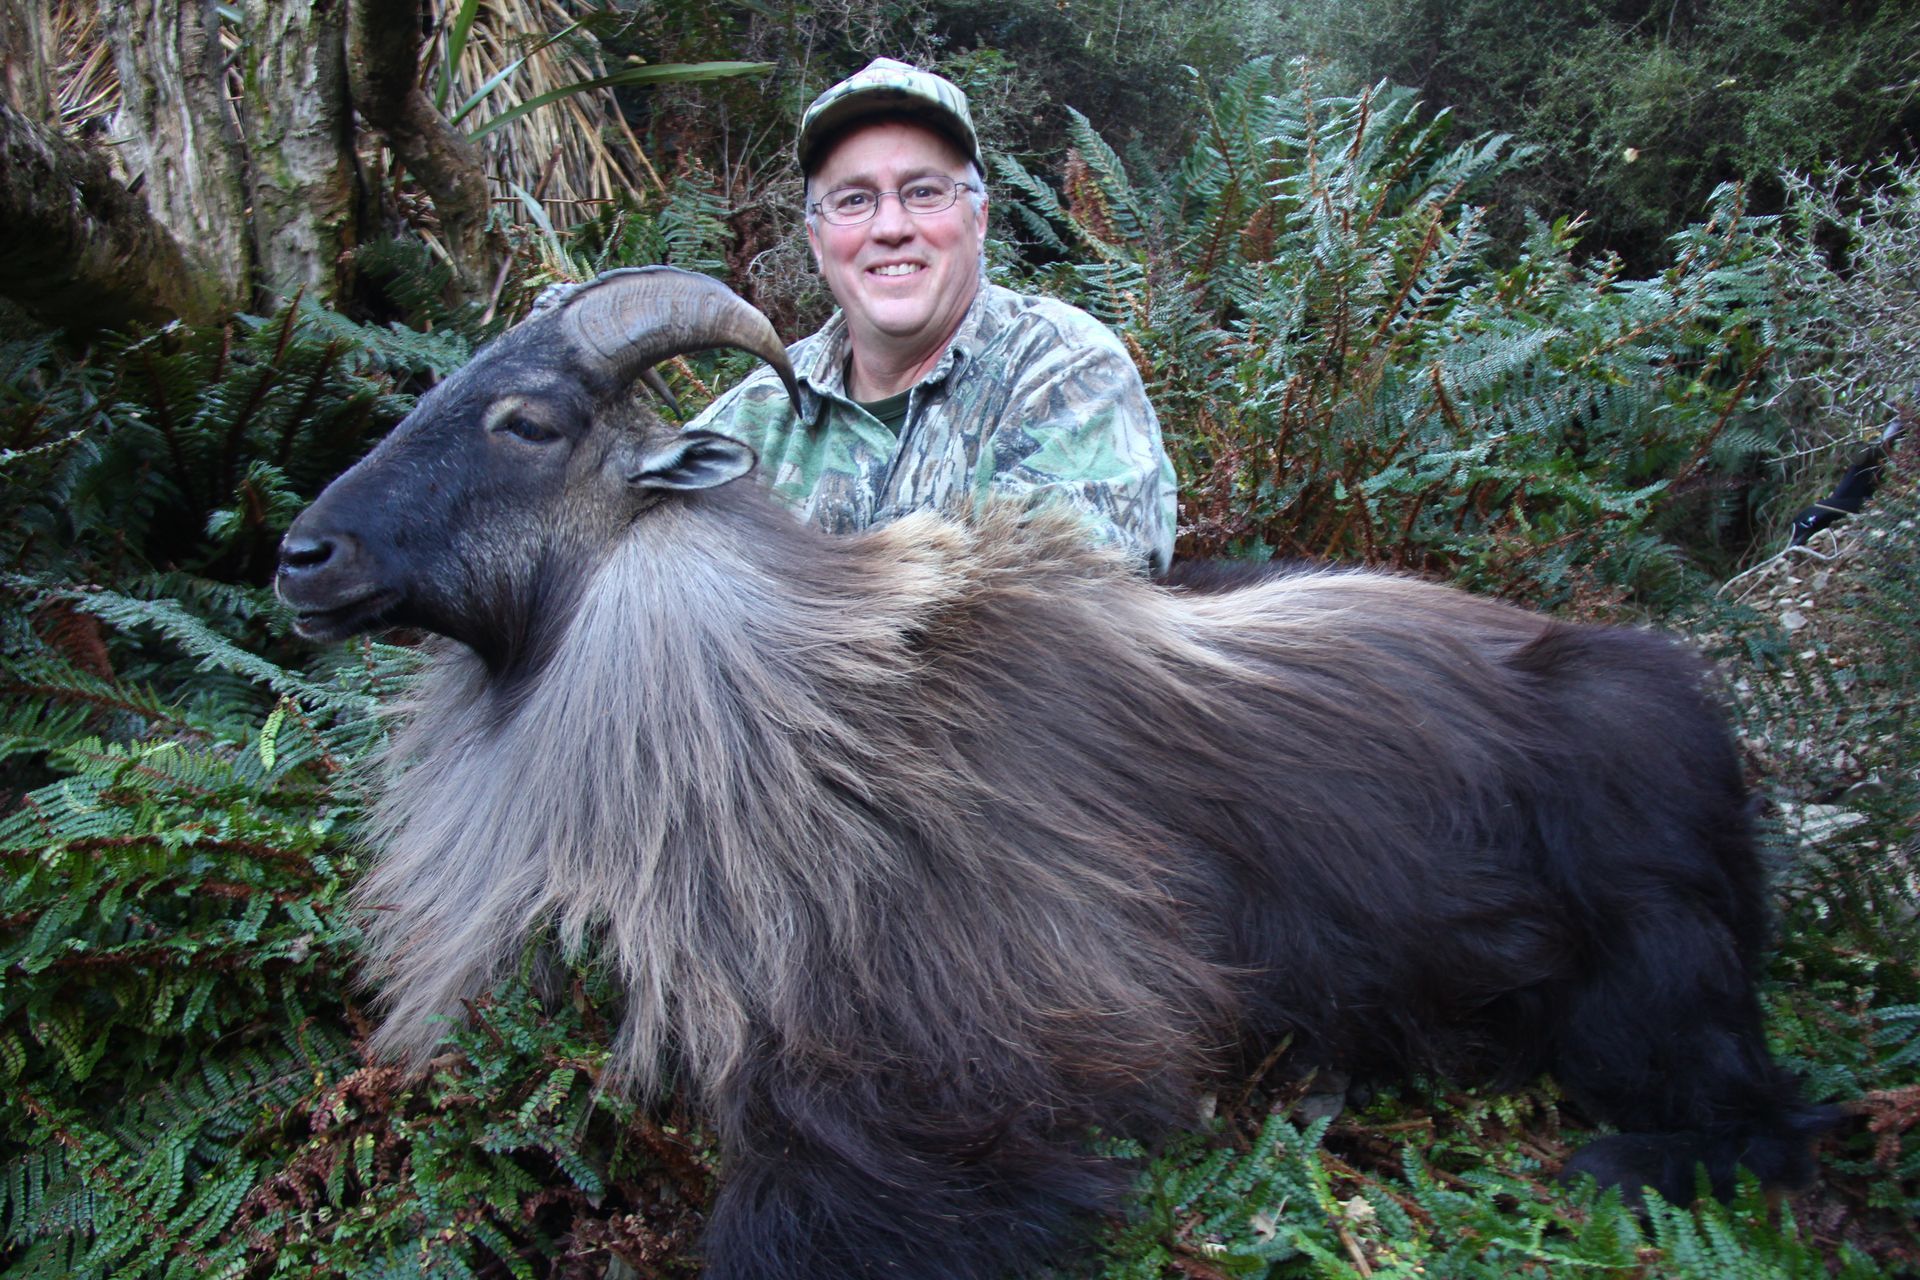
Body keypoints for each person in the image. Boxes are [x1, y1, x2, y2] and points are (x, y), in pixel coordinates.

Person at [685, 57, 1178, 572]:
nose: (891, 227)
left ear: (979, 218)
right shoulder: (758, 414)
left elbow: (1063, 613)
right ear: (816, 240)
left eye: (925, 192)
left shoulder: (1069, 372)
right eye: (854, 200)